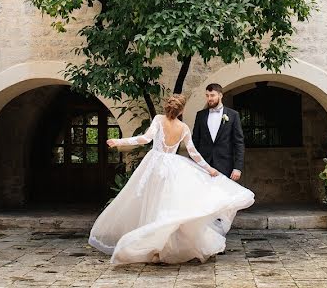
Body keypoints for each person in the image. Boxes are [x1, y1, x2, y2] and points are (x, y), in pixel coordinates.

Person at [88, 94, 254, 264]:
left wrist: (119, 141)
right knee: (168, 206)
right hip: (173, 168)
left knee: (153, 204)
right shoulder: (183, 127)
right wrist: (209, 169)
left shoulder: (159, 119)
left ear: (168, 106)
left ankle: (155, 247)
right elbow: (194, 153)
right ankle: (162, 246)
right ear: (181, 110)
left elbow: (145, 139)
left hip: (154, 166)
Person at [191, 83, 245, 181]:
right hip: (203, 165)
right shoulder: (200, 115)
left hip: (225, 165)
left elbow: (239, 143)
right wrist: (193, 163)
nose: (209, 98)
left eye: (212, 95)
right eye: (207, 96)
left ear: (220, 95)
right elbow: (195, 141)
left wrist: (238, 168)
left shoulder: (233, 115)